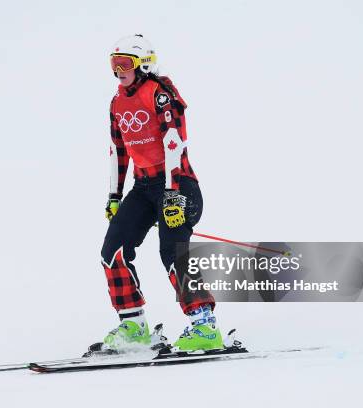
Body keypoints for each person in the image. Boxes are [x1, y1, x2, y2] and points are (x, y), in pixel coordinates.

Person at [100, 34, 221, 352]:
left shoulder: (160, 94)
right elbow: (118, 150)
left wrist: (170, 194)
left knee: (173, 252)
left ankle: (204, 325)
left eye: (124, 63)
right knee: (113, 250)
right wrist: (114, 196)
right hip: (142, 189)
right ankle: (133, 324)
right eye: (114, 64)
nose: (118, 70)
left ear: (143, 65)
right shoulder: (116, 102)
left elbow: (174, 143)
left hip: (178, 184)